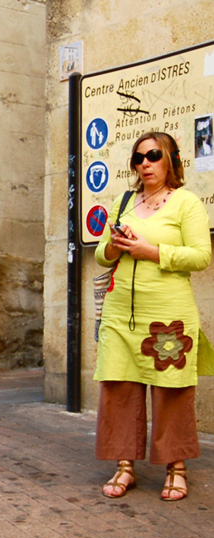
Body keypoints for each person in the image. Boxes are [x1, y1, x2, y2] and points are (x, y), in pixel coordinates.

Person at [95, 131, 211, 501]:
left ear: (171, 160)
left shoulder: (186, 203)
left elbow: (200, 256)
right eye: (138, 157)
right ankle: (124, 466)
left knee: (172, 391)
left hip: (167, 317)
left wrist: (152, 251)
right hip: (120, 314)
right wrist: (116, 244)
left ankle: (176, 467)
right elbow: (101, 254)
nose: (144, 163)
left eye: (153, 155)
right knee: (118, 387)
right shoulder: (124, 201)